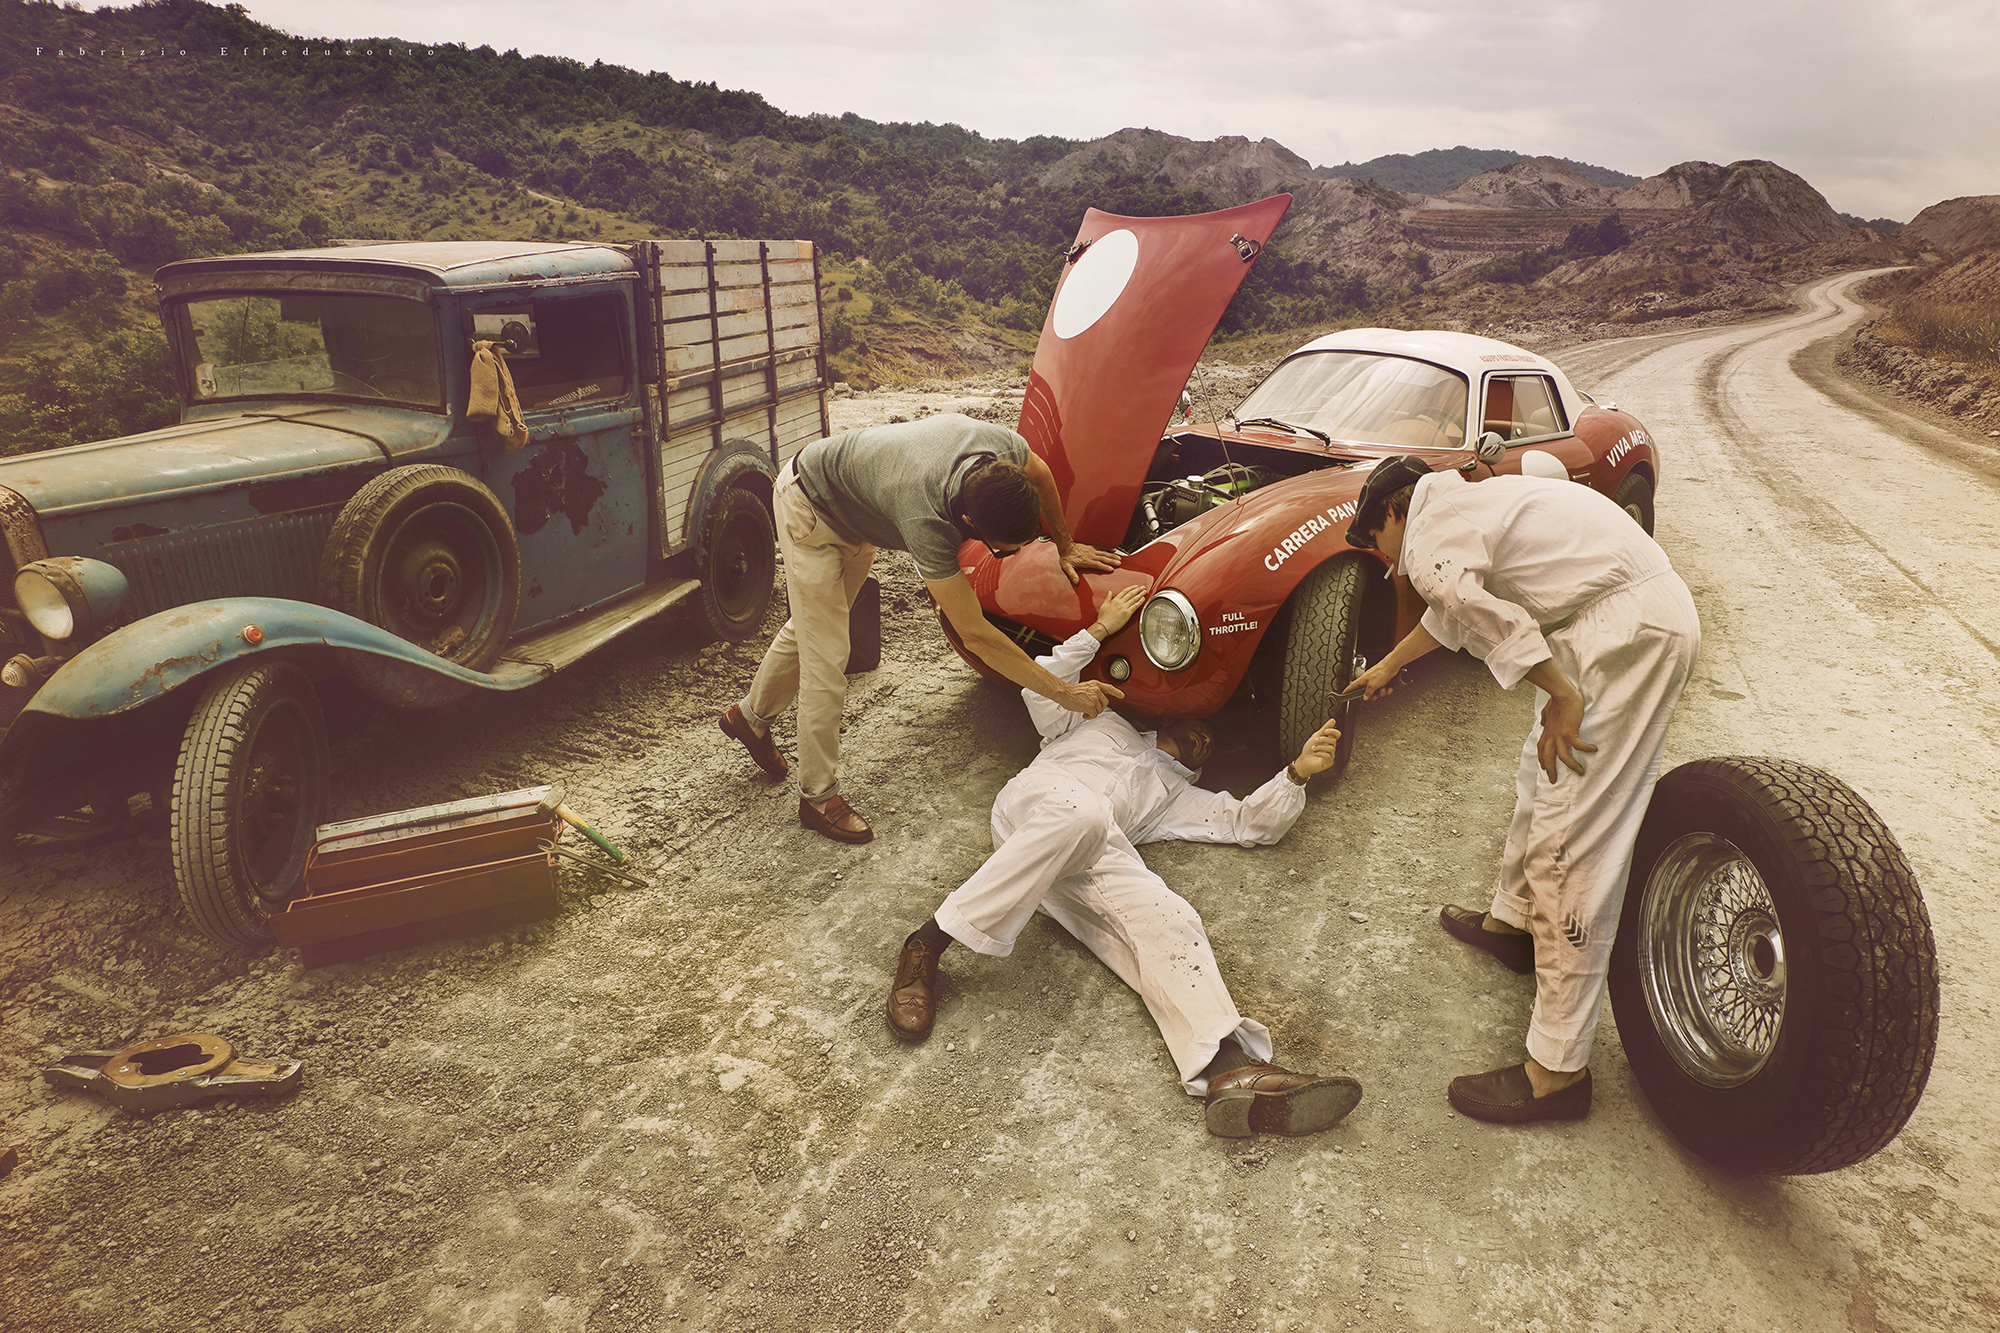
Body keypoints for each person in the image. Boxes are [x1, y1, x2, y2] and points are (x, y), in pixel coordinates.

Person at [883, 584, 1363, 1138]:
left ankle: (1231, 1070)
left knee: (1170, 917)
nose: (1205, 737)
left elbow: (1248, 824)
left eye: (1214, 740)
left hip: (1089, 854)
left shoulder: (1175, 796)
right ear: (1173, 715)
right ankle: (928, 942)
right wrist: (1099, 629)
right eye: (1201, 723)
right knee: (1081, 813)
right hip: (1036, 807)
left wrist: (1297, 773)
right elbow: (1039, 685)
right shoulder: (1096, 722)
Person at [1345, 456, 1700, 1125]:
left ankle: (1557, 1070)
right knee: (1540, 776)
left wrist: (1563, 694)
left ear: (1393, 511)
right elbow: (1456, 617)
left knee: (1570, 838)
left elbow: (1478, 613)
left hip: (1623, 631)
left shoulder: (1425, 536)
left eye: (1375, 542)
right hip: (1624, 616)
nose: (1384, 559)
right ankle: (1513, 924)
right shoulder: (1463, 508)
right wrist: (1389, 665)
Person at [718, 414, 1122, 844]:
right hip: (810, 509)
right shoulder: (925, 517)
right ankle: (818, 798)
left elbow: (1039, 473)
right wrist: (1063, 692)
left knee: (814, 628)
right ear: (967, 520)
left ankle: (749, 719)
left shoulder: (999, 447)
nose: (1013, 555)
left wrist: (1065, 544)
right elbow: (975, 634)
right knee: (828, 656)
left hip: (857, 509)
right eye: (1002, 552)